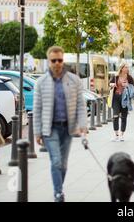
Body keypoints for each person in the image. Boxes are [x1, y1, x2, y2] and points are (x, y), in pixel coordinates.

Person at [33, 46, 87, 202]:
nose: (57, 63)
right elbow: (37, 109)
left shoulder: (74, 80)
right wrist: (37, 132)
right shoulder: (41, 82)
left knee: (63, 164)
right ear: (48, 61)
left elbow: (80, 105)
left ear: (63, 60)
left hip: (68, 129)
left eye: (60, 60)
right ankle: (58, 193)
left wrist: (83, 125)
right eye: (53, 60)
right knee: (56, 160)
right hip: (50, 129)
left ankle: (58, 188)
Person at [109, 62, 134, 142]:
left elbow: (133, 88)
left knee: (124, 117)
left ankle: (121, 135)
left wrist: (127, 85)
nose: (127, 69)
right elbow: (109, 84)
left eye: (128, 67)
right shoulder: (116, 77)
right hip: (116, 98)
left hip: (125, 98)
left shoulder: (129, 78)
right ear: (121, 68)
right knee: (115, 116)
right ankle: (116, 134)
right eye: (126, 67)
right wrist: (112, 85)